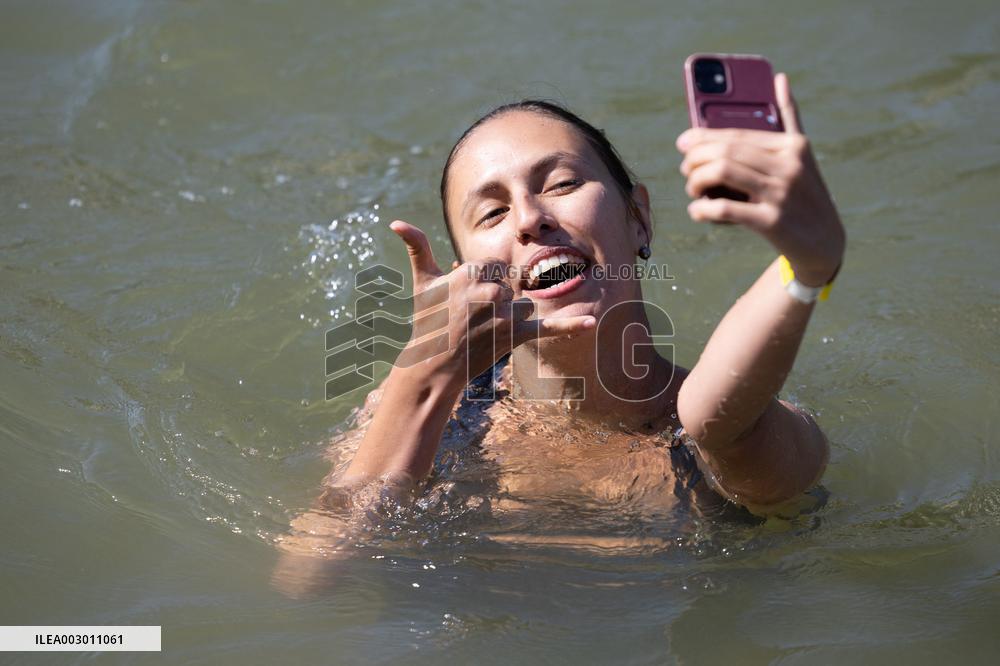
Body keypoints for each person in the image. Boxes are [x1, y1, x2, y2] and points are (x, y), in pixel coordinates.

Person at [272, 73, 844, 595]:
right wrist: (428, 369)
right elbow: (307, 579)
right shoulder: (437, 415)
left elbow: (720, 418)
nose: (528, 218)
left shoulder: (723, 433)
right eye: (491, 214)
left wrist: (807, 263)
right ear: (463, 276)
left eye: (563, 183)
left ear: (638, 217)